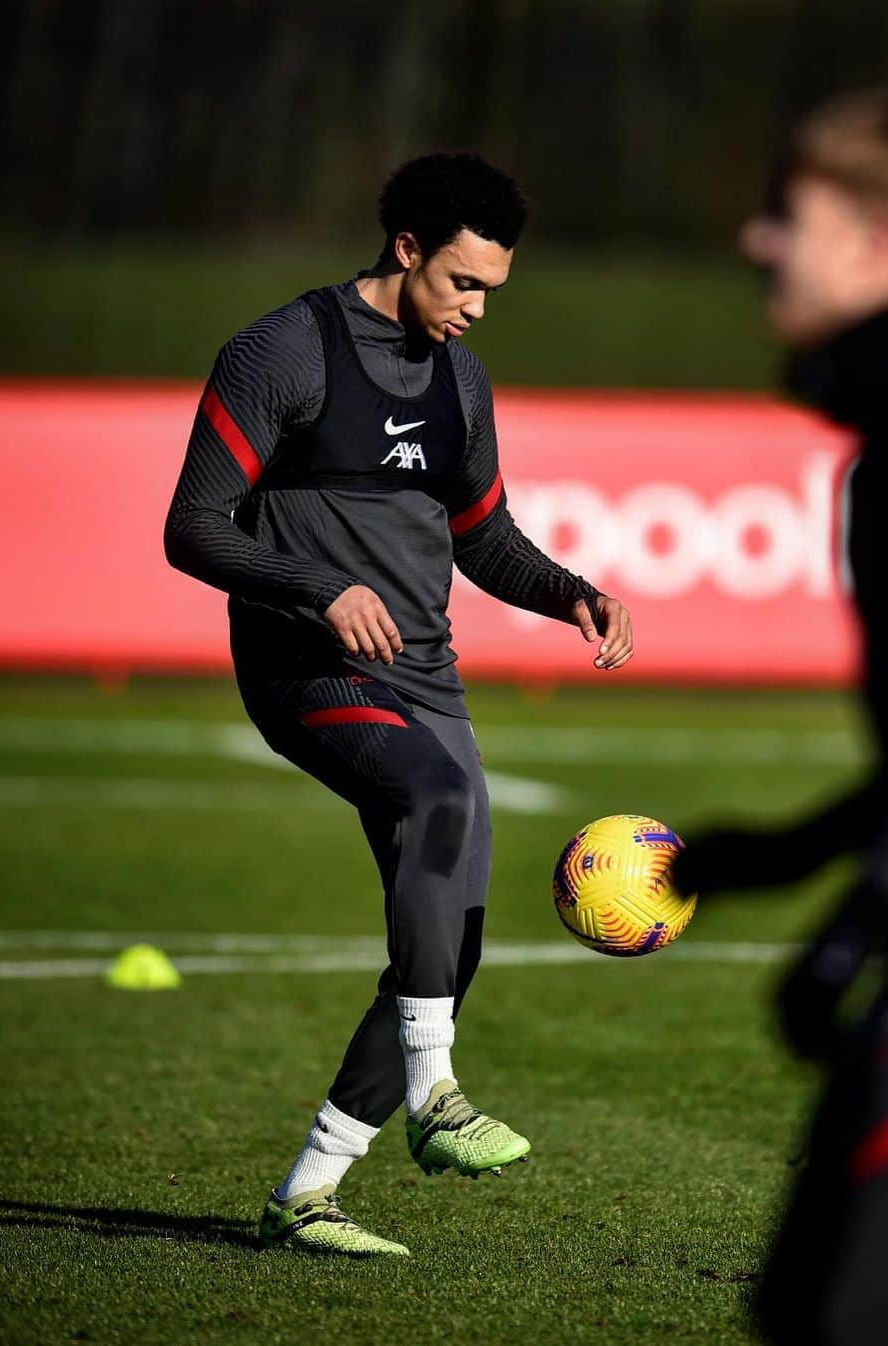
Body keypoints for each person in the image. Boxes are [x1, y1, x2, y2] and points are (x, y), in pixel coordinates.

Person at [165, 152, 633, 1256]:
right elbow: (194, 526)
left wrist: (570, 589)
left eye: (493, 292)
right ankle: (438, 1097)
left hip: (427, 673)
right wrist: (321, 587)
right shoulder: (283, 350)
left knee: (446, 943)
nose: (476, 309)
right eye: (463, 283)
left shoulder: (462, 382)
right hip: (305, 667)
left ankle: (306, 1193)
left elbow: (483, 538)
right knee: (434, 794)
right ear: (408, 248)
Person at [672, 90, 888, 1345]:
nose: (758, 243)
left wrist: (873, 900)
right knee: (819, 1305)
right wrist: (790, 854)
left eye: (783, 216)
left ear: (876, 242)